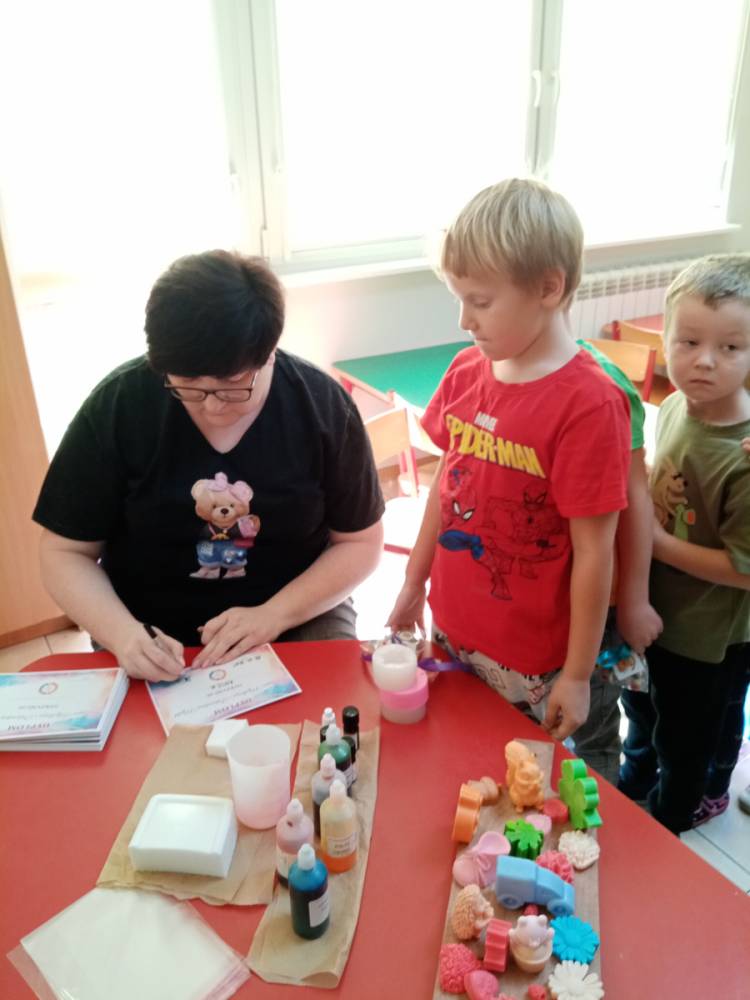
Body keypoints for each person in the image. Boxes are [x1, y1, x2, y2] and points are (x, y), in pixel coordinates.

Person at [33, 251, 384, 682]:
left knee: (329, 712)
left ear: (270, 354)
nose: (212, 407)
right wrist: (123, 635)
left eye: (232, 387)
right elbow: (64, 552)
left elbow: (360, 543)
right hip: (147, 627)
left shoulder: (322, 407)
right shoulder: (119, 406)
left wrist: (274, 615)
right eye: (188, 388)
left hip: (296, 611)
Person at [387, 178, 631, 778]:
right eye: (458, 298)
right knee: (469, 765)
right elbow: (447, 488)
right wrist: (414, 581)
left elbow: (595, 552)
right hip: (458, 631)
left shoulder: (590, 404)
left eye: (480, 301)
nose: (463, 319)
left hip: (540, 661)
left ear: (549, 287)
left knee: (548, 787)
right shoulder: (466, 370)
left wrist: (578, 676)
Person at [635, 254, 750, 835]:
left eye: (730, 347)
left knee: (692, 733)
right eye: (689, 341)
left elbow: (744, 569)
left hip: (710, 636)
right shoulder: (676, 404)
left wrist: (655, 542)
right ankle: (641, 776)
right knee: (649, 708)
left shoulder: (744, 457)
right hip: (664, 611)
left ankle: (678, 811)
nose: (704, 360)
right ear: (665, 338)